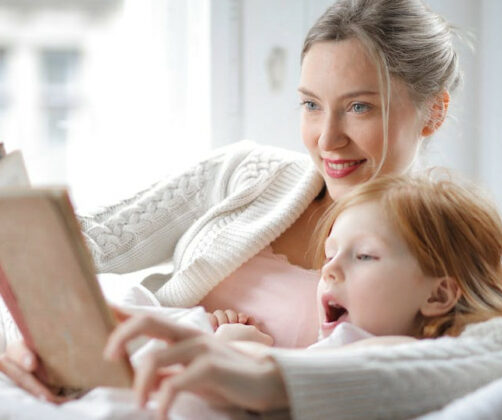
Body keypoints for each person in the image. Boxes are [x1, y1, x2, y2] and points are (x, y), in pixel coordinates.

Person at [0, 0, 464, 409]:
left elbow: (438, 376)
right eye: (311, 105)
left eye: (359, 107)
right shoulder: (246, 173)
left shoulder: (443, 253)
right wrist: (32, 346)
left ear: (434, 111)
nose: (327, 139)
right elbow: (68, 252)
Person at [103, 172, 502, 419]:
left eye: (364, 256)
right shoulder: (338, 344)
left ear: (439, 295)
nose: (329, 269)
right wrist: (237, 342)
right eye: (330, 252)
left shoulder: (393, 349)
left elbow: (320, 381)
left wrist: (243, 354)